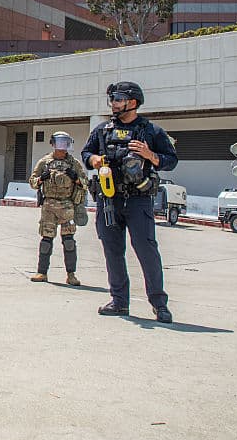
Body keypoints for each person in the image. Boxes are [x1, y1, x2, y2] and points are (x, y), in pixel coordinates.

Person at [81, 81, 178, 322]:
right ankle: (119, 301)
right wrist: (93, 159)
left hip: (138, 200)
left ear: (132, 102)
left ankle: (159, 303)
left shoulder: (151, 131)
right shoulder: (103, 130)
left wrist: (150, 155)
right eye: (112, 99)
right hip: (108, 199)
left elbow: (171, 160)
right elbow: (85, 153)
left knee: (146, 250)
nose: (113, 104)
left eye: (118, 99)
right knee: (113, 251)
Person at [28, 131, 88, 286]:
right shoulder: (45, 162)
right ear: (53, 144)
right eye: (59, 143)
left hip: (67, 205)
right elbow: (32, 181)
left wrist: (76, 178)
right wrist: (42, 178)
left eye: (65, 143)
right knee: (46, 240)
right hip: (49, 206)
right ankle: (42, 272)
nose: (62, 147)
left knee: (69, 241)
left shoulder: (74, 163)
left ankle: (71, 274)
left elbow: (85, 183)